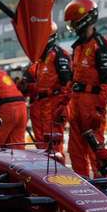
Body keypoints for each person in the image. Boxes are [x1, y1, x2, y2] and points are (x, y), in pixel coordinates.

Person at [63, 0, 107, 177]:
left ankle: (104, 187)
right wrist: (66, 104)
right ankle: (81, 187)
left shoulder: (102, 46)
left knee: (96, 150)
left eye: (73, 23)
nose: (72, 27)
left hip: (92, 103)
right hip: (76, 104)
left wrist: (99, 109)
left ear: (83, 20)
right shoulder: (77, 47)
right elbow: (72, 79)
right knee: (75, 150)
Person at [27, 22, 71, 153]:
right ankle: (44, 172)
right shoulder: (39, 60)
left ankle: (58, 172)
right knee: (42, 146)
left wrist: (62, 107)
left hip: (54, 106)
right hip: (41, 106)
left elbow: (68, 83)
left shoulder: (59, 54)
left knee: (54, 147)